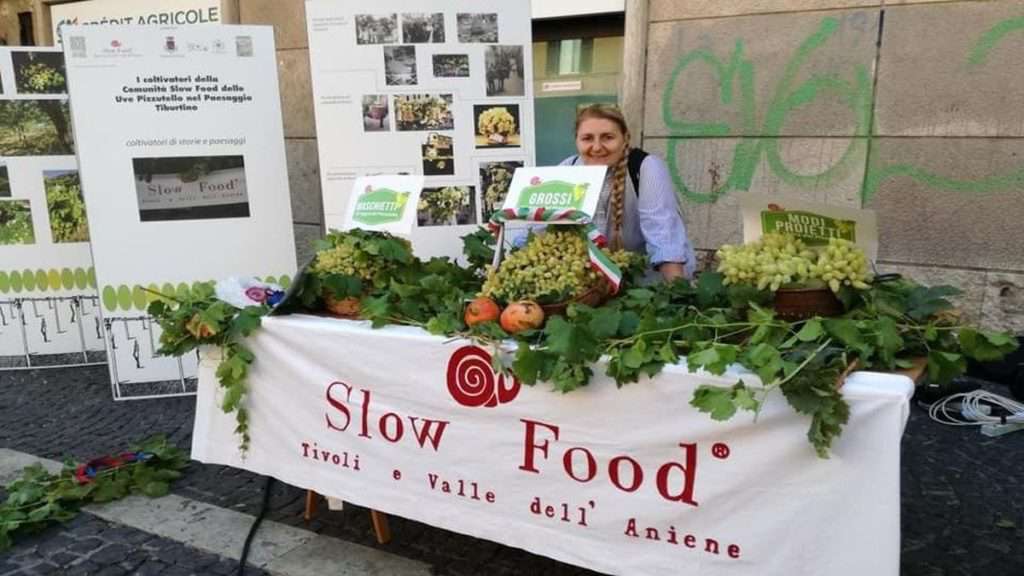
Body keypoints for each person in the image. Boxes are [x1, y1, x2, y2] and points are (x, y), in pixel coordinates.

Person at [562, 104, 695, 281]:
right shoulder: (567, 169)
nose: (596, 147)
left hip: (645, 286)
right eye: (587, 138)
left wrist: (677, 294)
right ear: (576, 141)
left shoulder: (646, 167)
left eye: (607, 137)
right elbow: (539, 229)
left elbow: (663, 235)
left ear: (625, 138)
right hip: (592, 286)